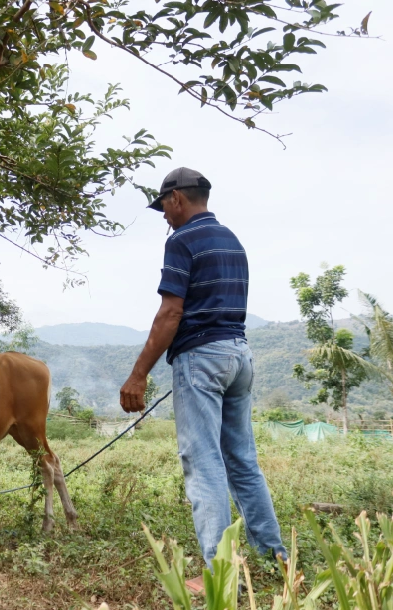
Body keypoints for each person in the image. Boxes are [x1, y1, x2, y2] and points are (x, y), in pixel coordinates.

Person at [118, 168, 286, 592]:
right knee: (242, 460)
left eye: (163, 206)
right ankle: (275, 558)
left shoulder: (181, 240)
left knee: (204, 462)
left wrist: (138, 375)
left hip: (203, 359)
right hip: (239, 355)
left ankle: (222, 574)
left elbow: (170, 313)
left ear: (177, 198)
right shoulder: (233, 240)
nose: (163, 216)